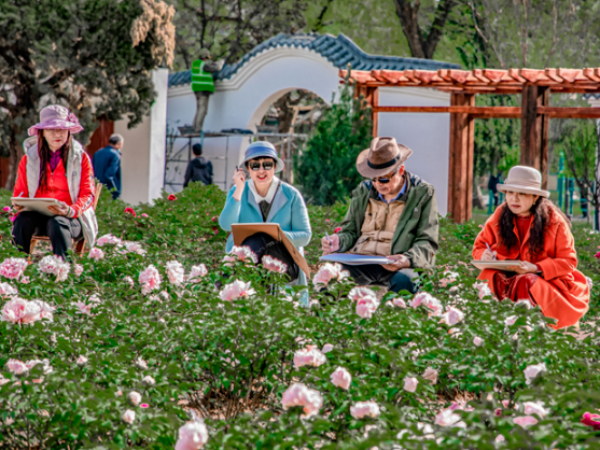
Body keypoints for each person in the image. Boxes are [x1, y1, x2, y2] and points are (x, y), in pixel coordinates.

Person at [473, 166, 589, 329]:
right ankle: (492, 326)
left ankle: (529, 329)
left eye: (522, 193)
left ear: (535, 197)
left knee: (526, 279)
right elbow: (480, 246)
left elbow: (568, 261)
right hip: (508, 275)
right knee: (490, 275)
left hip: (548, 282)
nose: (514, 199)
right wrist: (483, 255)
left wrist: (536, 268)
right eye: (510, 192)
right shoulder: (500, 214)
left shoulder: (554, 221)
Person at [321, 137, 439, 294]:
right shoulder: (364, 190)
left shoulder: (422, 193)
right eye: (373, 179)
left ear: (401, 171)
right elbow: (350, 231)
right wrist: (339, 241)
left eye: (383, 179)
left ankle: (395, 310)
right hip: (362, 261)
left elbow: (428, 241)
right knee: (330, 278)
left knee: (405, 280)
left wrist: (407, 259)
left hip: (400, 265)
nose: (378, 184)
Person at [218, 141, 311, 289]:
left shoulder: (291, 195)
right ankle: (233, 281)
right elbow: (225, 224)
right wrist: (239, 191)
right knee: (257, 239)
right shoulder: (238, 191)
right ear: (247, 169)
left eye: (267, 165)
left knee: (261, 237)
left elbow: (305, 236)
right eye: (255, 166)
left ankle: (225, 282)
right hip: (248, 263)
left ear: (275, 167)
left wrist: (276, 236)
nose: (261, 171)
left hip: (284, 263)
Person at [12, 105, 98, 259]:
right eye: (51, 129)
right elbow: (21, 192)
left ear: (69, 131)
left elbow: (88, 194)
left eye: (62, 129)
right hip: (39, 217)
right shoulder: (28, 159)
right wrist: (19, 204)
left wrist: (71, 210)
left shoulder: (81, 158)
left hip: (72, 219)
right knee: (22, 221)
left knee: (57, 222)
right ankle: (16, 266)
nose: (57, 134)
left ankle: (63, 269)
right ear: (42, 132)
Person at [192, 49, 223, 132]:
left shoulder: (196, 63)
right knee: (203, 110)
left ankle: (193, 126)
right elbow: (216, 68)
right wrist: (220, 63)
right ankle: (198, 129)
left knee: (199, 109)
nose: (207, 60)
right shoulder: (204, 65)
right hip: (203, 90)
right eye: (207, 58)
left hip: (196, 90)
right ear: (204, 57)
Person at [92, 134, 124, 199]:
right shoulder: (115, 155)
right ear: (118, 143)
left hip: (95, 188)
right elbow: (109, 175)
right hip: (108, 190)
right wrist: (115, 191)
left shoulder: (97, 153)